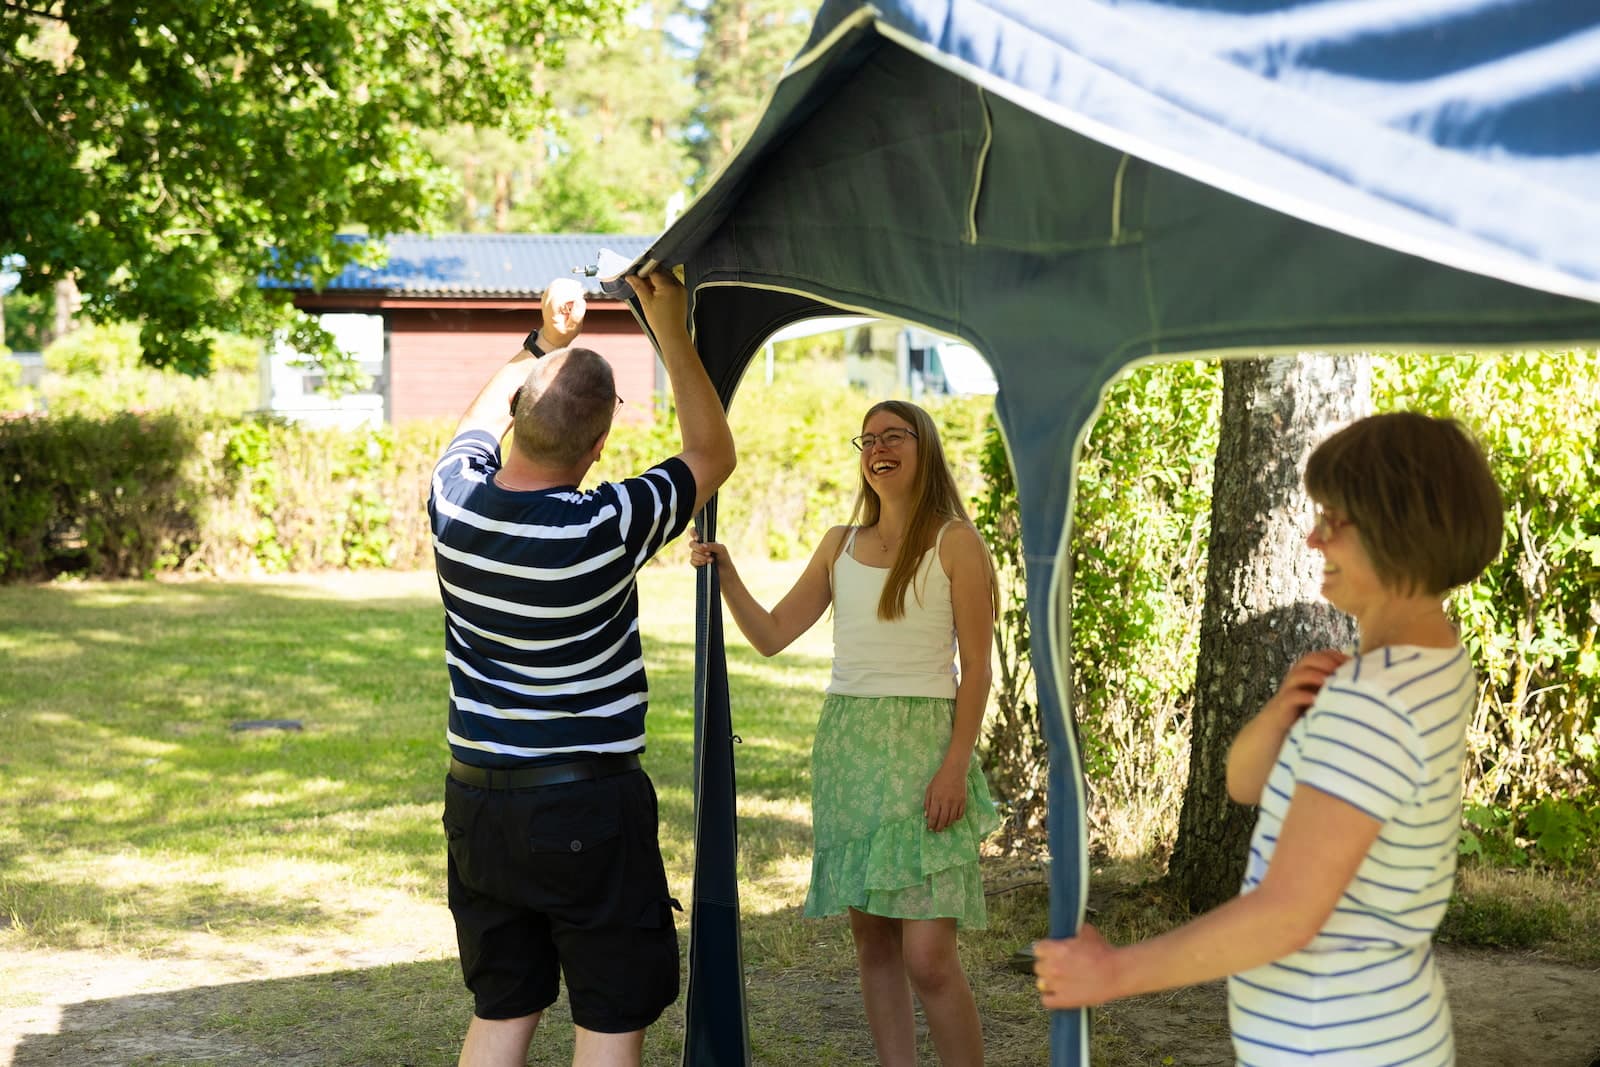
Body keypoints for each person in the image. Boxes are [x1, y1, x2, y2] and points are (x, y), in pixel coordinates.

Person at [1034, 412, 1505, 1066]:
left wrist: (1112, 972)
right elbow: (1246, 784)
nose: (1313, 539)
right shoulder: (1431, 662)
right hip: (1378, 1034)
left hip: (1336, 1045)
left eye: (1334, 519)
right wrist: (1287, 711)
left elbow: (1288, 914)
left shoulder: (1372, 701)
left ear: (1399, 526)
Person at [428, 270, 735, 1067]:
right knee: (608, 1016)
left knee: (502, 1009)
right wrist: (669, 327)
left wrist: (544, 342)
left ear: (518, 418)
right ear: (599, 448)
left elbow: (477, 418)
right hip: (586, 807)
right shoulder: (605, 526)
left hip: (478, 801)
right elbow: (713, 452)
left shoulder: (452, 500)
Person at [690, 400, 1000, 1066]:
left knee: (930, 956)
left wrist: (955, 766)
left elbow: (977, 668)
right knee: (873, 942)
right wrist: (728, 574)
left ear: (926, 449)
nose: (879, 448)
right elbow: (772, 635)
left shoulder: (956, 542)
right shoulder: (839, 545)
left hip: (923, 752)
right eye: (869, 438)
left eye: (895, 436)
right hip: (849, 754)